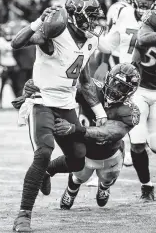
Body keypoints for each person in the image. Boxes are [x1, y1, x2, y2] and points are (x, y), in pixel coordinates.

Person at [11, 0, 107, 232]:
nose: (94, 24)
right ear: (76, 18)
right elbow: (16, 42)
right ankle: (23, 215)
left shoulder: (90, 41)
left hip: (66, 104)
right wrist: (37, 22)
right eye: (90, 18)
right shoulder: (53, 33)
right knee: (43, 151)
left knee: (78, 159)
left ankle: (47, 171)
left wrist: (98, 111)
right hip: (42, 100)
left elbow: (84, 80)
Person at [88, 0, 156, 185]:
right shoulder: (122, 12)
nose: (143, 2)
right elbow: (110, 43)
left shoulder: (151, 18)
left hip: (146, 78)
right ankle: (99, 169)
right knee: (109, 124)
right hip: (126, 81)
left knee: (148, 140)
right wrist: (100, 60)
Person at [50, 62, 141, 209]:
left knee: (107, 179)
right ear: (108, 78)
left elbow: (106, 133)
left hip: (110, 154)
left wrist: (75, 129)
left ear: (130, 91)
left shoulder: (129, 111)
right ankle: (71, 191)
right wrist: (38, 89)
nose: (116, 90)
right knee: (79, 178)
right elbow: (63, 91)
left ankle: (104, 188)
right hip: (85, 152)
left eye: (123, 87)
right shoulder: (92, 89)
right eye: (115, 83)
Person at [129, 8, 156, 202]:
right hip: (141, 90)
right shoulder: (151, 17)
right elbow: (142, 39)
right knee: (137, 142)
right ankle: (146, 186)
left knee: (155, 144)